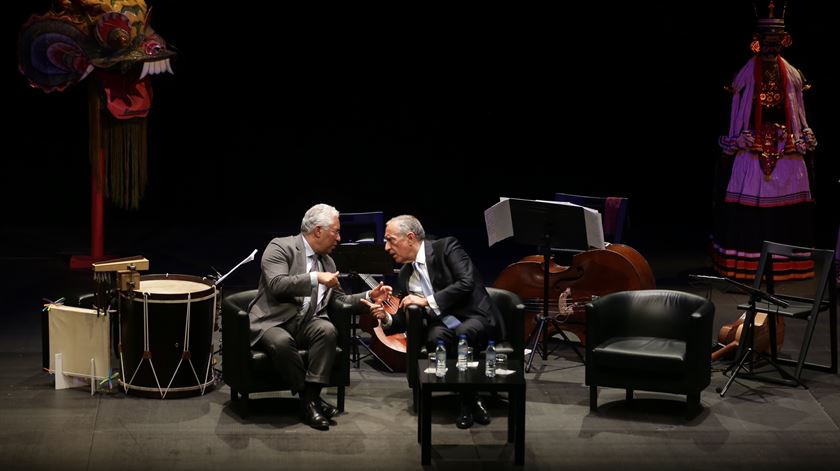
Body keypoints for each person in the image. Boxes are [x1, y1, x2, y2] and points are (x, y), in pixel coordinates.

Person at [249, 203, 388, 430]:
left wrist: (369, 296)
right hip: (273, 321)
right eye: (336, 231)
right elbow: (276, 285)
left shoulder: (328, 261)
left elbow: (339, 300)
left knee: (327, 330)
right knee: (281, 342)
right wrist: (315, 278)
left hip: (305, 322)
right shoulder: (280, 247)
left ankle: (310, 400)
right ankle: (310, 400)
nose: (339, 238)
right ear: (318, 231)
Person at [362, 215, 504, 429]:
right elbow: (403, 316)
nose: (386, 247)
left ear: (410, 237)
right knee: (435, 337)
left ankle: (467, 402)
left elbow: (466, 282)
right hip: (442, 323)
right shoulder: (405, 273)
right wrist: (386, 317)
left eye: (390, 240)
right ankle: (468, 398)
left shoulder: (446, 247)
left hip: (474, 315)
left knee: (464, 334)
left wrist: (425, 301)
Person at [712, 2, 818, 280]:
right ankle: (745, 266)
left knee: (787, 210)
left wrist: (801, 136)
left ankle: (789, 265)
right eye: (767, 41)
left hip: (786, 146)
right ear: (757, 42)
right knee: (749, 210)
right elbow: (732, 113)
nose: (772, 46)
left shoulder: (794, 76)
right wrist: (738, 139)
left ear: (784, 41)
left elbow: (798, 110)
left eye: (776, 41)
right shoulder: (743, 77)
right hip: (752, 145)